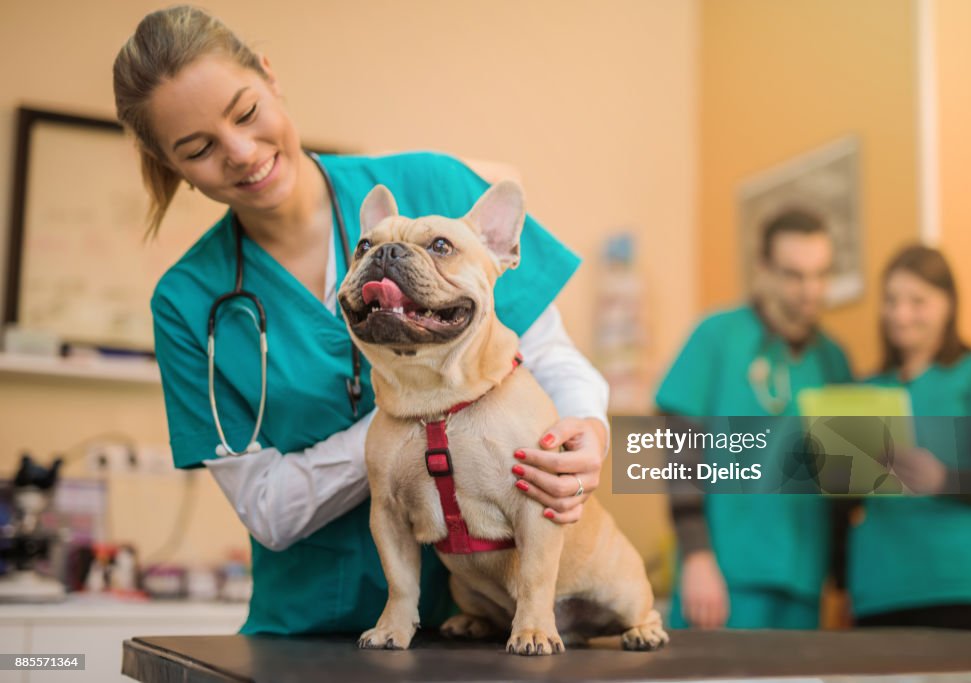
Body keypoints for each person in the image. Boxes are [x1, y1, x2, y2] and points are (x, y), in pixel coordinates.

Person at [113, 6, 611, 635]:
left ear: (269, 76)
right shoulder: (188, 302)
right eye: (198, 148)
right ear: (171, 164)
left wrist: (584, 431)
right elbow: (268, 510)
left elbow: (550, 356)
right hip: (310, 631)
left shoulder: (431, 184)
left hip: (488, 614)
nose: (241, 153)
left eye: (245, 113)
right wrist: (416, 417)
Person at [655, 208, 852, 629]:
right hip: (723, 580)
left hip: (803, 581)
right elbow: (679, 451)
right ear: (763, 270)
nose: (810, 290)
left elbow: (845, 481)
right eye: (794, 275)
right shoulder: (717, 337)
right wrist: (697, 556)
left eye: (820, 275)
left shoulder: (834, 360)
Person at [843, 245, 971, 634]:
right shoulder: (864, 390)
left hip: (967, 591)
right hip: (881, 594)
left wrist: (943, 480)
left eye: (918, 301)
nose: (901, 314)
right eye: (891, 301)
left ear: (948, 305)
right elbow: (849, 498)